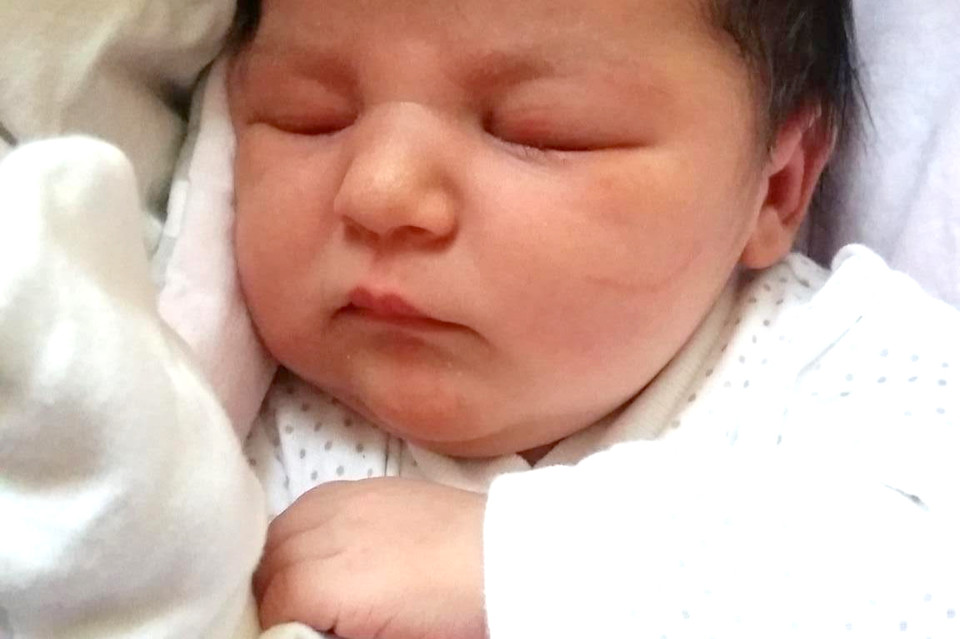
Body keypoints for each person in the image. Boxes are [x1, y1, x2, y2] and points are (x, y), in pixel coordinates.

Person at [0, 1, 957, 639]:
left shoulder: (837, 363)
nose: (380, 190)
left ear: (778, 184)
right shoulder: (229, 418)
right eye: (308, 116)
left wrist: (520, 563)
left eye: (539, 132)